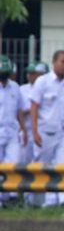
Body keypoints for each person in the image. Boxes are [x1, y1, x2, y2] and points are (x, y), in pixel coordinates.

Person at [29, 50, 64, 207]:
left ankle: (63, 200)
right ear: (54, 62)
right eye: (62, 62)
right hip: (46, 131)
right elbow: (34, 106)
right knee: (46, 165)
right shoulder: (43, 82)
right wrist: (35, 131)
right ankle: (46, 202)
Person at [0, 56, 23, 207]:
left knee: (13, 163)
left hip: (12, 131)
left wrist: (25, 131)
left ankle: (12, 196)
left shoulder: (15, 87)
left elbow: (20, 110)